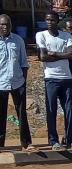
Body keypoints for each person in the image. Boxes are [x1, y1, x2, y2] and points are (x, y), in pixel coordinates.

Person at [37, 12, 72, 151]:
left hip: (66, 78)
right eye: (47, 19)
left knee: (70, 110)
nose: (50, 22)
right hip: (51, 78)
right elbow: (43, 57)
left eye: (52, 20)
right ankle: (53, 141)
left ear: (57, 21)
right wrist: (63, 56)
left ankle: (70, 139)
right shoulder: (41, 35)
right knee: (51, 110)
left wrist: (54, 54)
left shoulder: (66, 35)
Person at [0, 14, 34, 151]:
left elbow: (24, 63)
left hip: (18, 82)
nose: (4, 27)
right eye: (1, 24)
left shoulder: (18, 40)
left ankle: (26, 143)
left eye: (6, 24)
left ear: (11, 26)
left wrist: (23, 82)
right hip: (0, 83)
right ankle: (0, 144)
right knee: (1, 115)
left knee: (22, 114)